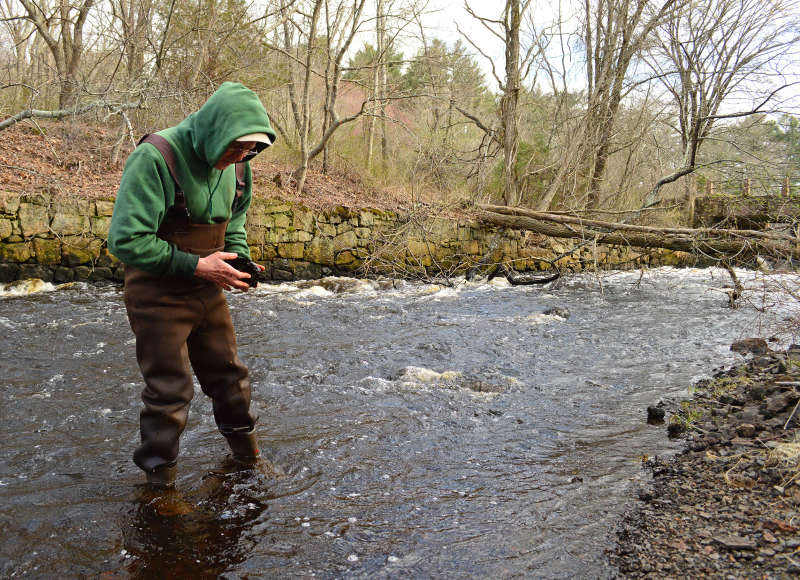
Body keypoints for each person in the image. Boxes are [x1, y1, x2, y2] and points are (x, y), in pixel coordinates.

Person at [108, 82, 277, 487]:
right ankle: (159, 484)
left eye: (251, 151)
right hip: (157, 294)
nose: (242, 158)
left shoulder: (239, 164)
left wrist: (238, 262)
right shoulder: (156, 157)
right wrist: (200, 267)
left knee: (230, 378)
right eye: (236, 148)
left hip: (207, 290)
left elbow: (234, 221)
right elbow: (125, 240)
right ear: (214, 131)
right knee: (170, 393)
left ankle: (249, 459)